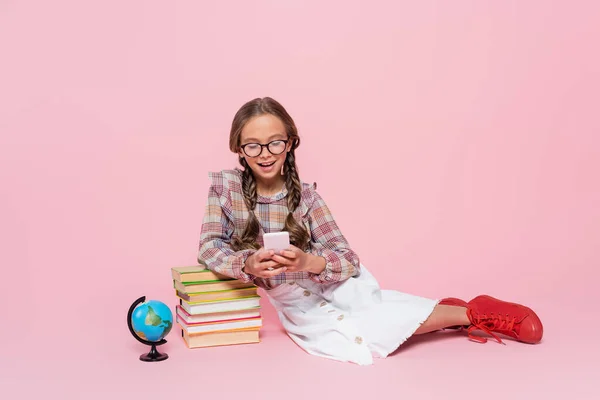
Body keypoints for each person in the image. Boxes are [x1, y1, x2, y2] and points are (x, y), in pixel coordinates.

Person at [197, 97, 544, 365]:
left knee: (368, 311)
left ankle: (472, 312)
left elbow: (348, 259)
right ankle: (440, 312)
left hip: (331, 281)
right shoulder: (225, 190)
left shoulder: (307, 197)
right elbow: (209, 247)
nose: (265, 153)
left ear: (289, 143)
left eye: (275, 142)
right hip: (293, 300)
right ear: (240, 150)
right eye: (252, 145)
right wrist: (247, 265)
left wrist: (308, 262)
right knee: (343, 336)